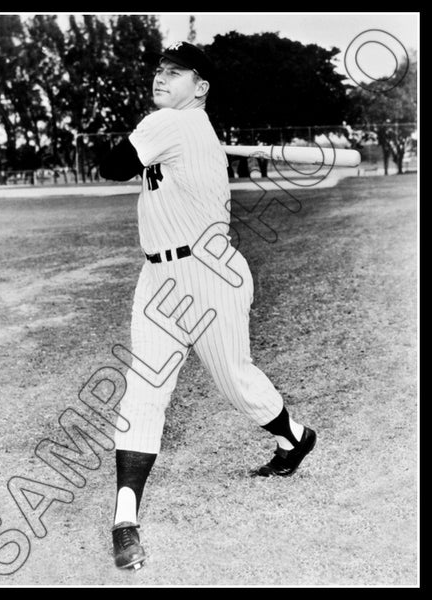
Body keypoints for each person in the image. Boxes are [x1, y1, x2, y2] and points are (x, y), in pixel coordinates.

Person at [98, 41, 316, 571]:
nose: (161, 78)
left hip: (208, 275)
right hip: (158, 277)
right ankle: (125, 520)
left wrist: (127, 138)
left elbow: (112, 167)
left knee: (237, 384)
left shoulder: (171, 123)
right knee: (144, 391)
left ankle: (295, 437)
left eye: (176, 73)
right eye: (158, 71)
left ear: (201, 88)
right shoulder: (189, 130)